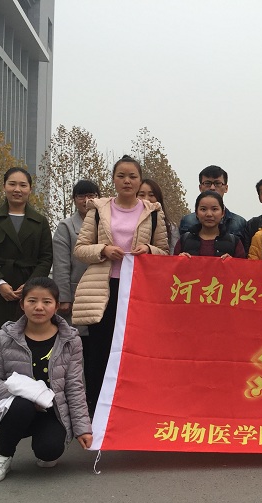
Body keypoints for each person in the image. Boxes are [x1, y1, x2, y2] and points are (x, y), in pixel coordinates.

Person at [72, 155, 169, 416]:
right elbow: (80, 249)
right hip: (103, 290)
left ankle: (131, 409)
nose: (127, 181)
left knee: (134, 351)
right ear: (113, 179)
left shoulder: (152, 212)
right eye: (121, 176)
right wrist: (103, 249)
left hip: (137, 291)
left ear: (140, 180)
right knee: (99, 351)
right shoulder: (98, 209)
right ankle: (95, 410)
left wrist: (148, 249)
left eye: (132, 176)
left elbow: (164, 252)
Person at [0, 277, 92, 483]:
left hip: (52, 411)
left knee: (49, 452)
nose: (39, 307)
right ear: (22, 304)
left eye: (46, 302)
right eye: (32, 301)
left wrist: (83, 428)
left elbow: (75, 387)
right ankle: (3, 455)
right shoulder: (5, 337)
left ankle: (44, 443)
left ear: (56, 306)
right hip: (16, 409)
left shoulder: (70, 340)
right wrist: (28, 396)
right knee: (21, 406)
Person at [0, 167, 54, 354]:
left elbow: (46, 258)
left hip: (29, 294)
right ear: (4, 186)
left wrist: (30, 287)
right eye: (12, 184)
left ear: (30, 189)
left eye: (23, 185)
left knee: (28, 349)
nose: (17, 189)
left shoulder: (40, 221)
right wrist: (0, 283)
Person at [52, 179, 98, 390]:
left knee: (96, 354)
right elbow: (61, 264)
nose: (87, 200)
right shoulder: (66, 227)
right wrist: (63, 297)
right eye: (81, 196)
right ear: (74, 199)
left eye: (92, 195)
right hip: (76, 298)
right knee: (74, 353)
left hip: (101, 296)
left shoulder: (105, 223)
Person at [178, 165, 246, 240]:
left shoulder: (238, 223)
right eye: (207, 183)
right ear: (200, 187)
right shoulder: (188, 221)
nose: (212, 188)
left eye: (217, 183)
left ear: (226, 188)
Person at [173, 191, 246, 258]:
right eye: (203, 209)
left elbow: (242, 267)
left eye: (214, 209)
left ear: (223, 213)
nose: (209, 214)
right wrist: (179, 260)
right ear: (196, 213)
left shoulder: (234, 242)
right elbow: (173, 266)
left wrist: (233, 263)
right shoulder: (184, 240)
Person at [137, 178, 176, 254]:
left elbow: (169, 255)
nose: (146, 199)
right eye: (141, 195)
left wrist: (149, 249)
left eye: (151, 195)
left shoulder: (171, 228)